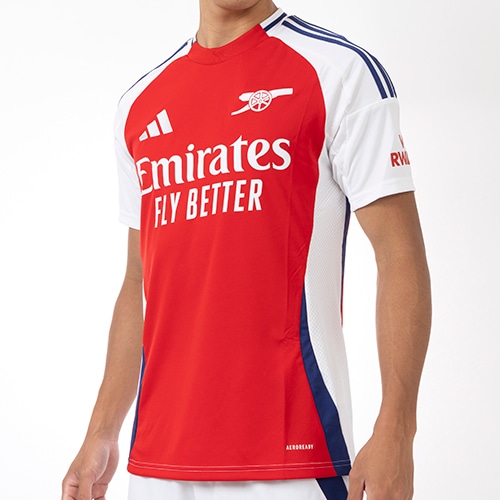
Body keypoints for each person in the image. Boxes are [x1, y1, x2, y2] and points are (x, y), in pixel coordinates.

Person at [62, 1, 431, 499]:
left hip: (293, 460)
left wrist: (398, 426)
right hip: (158, 464)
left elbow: (399, 254)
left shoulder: (339, 72)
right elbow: (138, 284)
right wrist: (102, 430)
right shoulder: (140, 105)